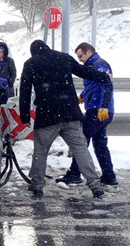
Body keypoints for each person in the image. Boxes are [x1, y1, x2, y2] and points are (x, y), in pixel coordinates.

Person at [19, 40, 112, 199]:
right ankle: (95, 185)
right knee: (80, 149)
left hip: (47, 116)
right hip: (70, 113)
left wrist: (25, 116)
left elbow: (25, 91)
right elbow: (84, 72)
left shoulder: (31, 63)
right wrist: (105, 77)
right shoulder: (63, 57)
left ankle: (37, 185)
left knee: (41, 151)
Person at [56, 42, 117, 186]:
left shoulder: (99, 65)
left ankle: (75, 173)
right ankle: (109, 176)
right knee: (100, 145)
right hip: (98, 109)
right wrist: (83, 95)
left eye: (81, 56)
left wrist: (103, 107)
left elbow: (106, 86)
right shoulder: (92, 65)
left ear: (88, 52)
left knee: (81, 141)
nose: (80, 60)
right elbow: (93, 85)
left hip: (98, 111)